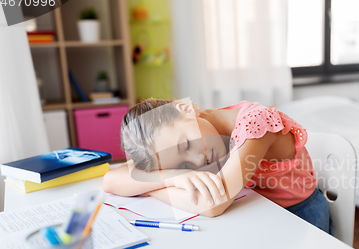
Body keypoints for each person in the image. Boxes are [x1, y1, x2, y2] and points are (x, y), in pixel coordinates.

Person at [103, 98, 334, 235]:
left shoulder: (255, 124)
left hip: (299, 216)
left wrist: (150, 186)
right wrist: (172, 177)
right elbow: (111, 180)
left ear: (185, 108)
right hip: (256, 210)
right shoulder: (194, 130)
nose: (195, 162)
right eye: (182, 165)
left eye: (185, 145)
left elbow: (214, 204)